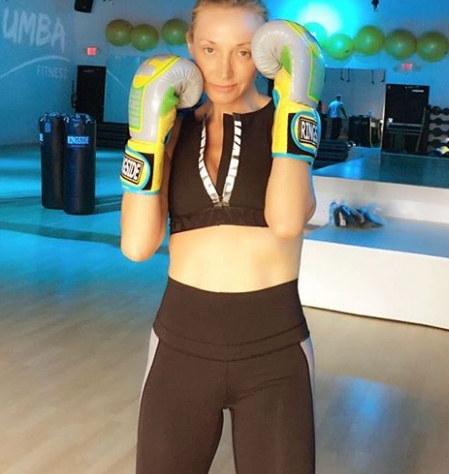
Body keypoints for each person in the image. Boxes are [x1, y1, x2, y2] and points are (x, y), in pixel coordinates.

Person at [119, 1, 325, 473]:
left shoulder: (287, 120)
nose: (225, 70)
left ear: (269, 53)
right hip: (180, 348)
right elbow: (137, 245)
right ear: (190, 45)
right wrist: (145, 138)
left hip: (274, 352)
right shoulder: (171, 130)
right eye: (210, 49)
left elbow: (287, 221)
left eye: (244, 51)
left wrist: (298, 103)